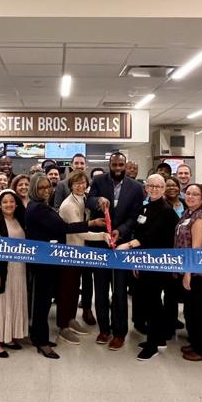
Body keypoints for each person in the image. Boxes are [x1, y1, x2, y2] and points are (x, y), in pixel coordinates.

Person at [26, 173, 105, 359]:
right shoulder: (39, 209)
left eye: (48, 187)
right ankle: (42, 342)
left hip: (47, 260)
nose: (46, 190)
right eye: (41, 188)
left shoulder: (40, 205)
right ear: (34, 190)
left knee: (43, 303)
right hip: (43, 262)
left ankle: (40, 337)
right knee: (42, 304)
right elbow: (64, 227)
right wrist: (91, 223)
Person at [115, 174, 179, 361]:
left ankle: (152, 345)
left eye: (158, 186)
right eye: (151, 185)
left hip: (158, 265)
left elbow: (152, 235)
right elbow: (138, 228)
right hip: (143, 262)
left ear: (164, 188)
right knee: (150, 302)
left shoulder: (167, 210)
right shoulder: (145, 207)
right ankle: (158, 339)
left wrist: (129, 246)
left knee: (153, 303)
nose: (154, 189)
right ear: (146, 188)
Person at [86, 152, 145, 351]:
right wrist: (97, 201)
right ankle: (104, 329)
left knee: (119, 292)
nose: (118, 168)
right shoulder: (98, 180)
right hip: (100, 243)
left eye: (121, 164)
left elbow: (135, 215)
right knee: (100, 290)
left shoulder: (136, 188)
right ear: (109, 164)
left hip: (122, 244)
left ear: (125, 165)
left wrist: (121, 232)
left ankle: (120, 332)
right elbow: (89, 200)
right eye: (115, 164)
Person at [57, 170, 109, 345]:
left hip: (80, 253)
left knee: (73, 289)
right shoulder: (68, 205)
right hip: (70, 253)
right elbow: (80, 232)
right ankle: (63, 326)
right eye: (76, 183)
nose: (80, 186)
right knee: (66, 290)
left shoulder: (83, 199)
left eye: (83, 183)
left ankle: (71, 319)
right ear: (70, 185)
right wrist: (102, 235)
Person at [0, 190, 30, 357]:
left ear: (16, 204)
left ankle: (8, 335)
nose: (8, 205)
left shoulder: (21, 220)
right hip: (3, 271)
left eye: (12, 202)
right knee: (1, 304)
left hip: (20, 270)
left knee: (13, 302)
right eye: (5, 202)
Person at [175, 183, 202, 363]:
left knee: (200, 311)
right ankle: (195, 342)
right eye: (188, 193)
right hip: (185, 269)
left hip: (197, 273)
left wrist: (188, 272)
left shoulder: (200, 216)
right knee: (190, 310)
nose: (190, 197)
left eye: (195, 194)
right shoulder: (186, 213)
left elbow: (196, 248)